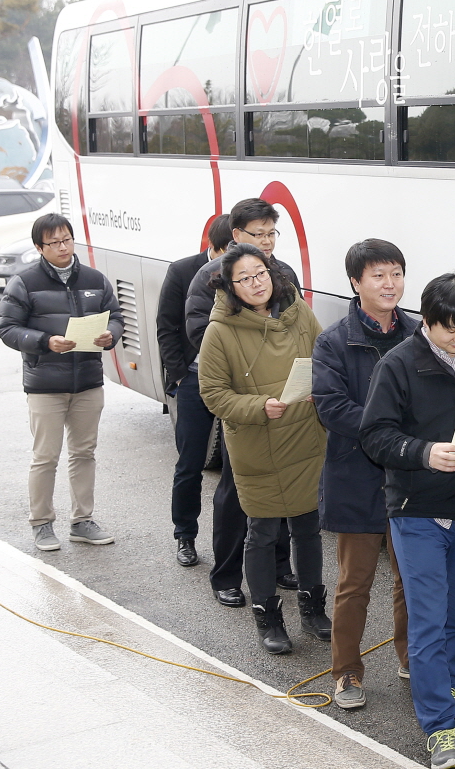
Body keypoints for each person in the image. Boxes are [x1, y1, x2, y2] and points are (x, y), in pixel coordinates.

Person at [361, 272, 455, 769]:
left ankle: (450, 689)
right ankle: (440, 727)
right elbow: (375, 436)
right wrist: (424, 453)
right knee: (426, 622)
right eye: (451, 328)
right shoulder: (398, 364)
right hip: (417, 512)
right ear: (427, 320)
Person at [197, 243, 329, 654]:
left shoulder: (299, 312)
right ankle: (268, 617)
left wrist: (320, 389)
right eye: (245, 278)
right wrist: (258, 406)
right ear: (230, 286)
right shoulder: (219, 331)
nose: (256, 284)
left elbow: (326, 359)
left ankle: (312, 608)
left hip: (305, 437)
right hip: (258, 442)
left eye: (261, 274)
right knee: (263, 531)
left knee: (308, 527)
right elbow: (213, 394)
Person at [313, 239, 419, 710]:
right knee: (354, 583)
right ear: (356, 283)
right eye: (378, 275)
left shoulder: (419, 334)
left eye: (395, 273)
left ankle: (413, 659)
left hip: (410, 481)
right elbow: (332, 408)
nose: (389, 283)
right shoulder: (333, 341)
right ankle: (346, 673)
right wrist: (389, 434)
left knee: (410, 580)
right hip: (357, 475)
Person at [186, 198, 298, 607]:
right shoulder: (209, 277)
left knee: (287, 486)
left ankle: (280, 565)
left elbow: (298, 330)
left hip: (285, 402)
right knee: (236, 494)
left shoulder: (282, 274)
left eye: (272, 234)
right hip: (245, 405)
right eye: (259, 234)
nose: (267, 242)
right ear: (236, 236)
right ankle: (227, 575)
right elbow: (203, 335)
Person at [0, 213, 124, 551]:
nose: (63, 247)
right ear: (40, 247)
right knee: (45, 457)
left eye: (67, 239)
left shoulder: (95, 279)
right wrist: (44, 341)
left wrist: (109, 336)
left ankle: (82, 521)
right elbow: (6, 328)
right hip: (45, 383)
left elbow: (117, 317)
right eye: (54, 242)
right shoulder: (23, 283)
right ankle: (41, 524)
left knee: (84, 453)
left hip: (87, 381)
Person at [158, 213, 233, 567]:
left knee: (237, 469)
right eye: (225, 251)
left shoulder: (248, 271)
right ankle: (184, 535)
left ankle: (235, 541)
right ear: (213, 246)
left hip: (236, 384)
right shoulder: (183, 270)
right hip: (194, 379)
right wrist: (178, 377)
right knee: (190, 463)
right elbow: (166, 327)